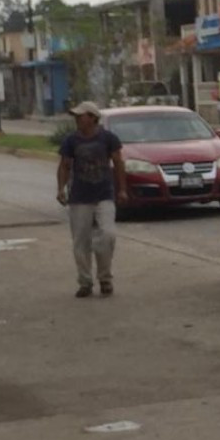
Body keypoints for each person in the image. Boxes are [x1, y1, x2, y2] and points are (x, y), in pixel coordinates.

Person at [56, 101, 128, 298]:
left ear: (93, 118)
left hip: (104, 194)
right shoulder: (71, 141)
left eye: (82, 116)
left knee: (108, 235)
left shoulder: (108, 138)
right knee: (81, 241)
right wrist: (61, 188)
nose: (78, 119)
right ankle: (85, 281)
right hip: (79, 197)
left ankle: (105, 277)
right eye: (76, 116)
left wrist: (122, 189)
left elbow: (118, 162)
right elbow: (64, 165)